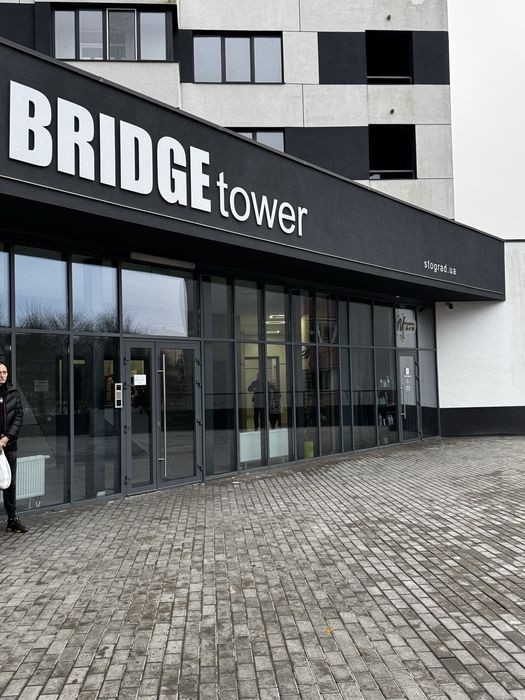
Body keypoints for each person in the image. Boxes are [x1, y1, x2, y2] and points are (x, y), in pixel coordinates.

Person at [0, 362, 27, 533]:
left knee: (9, 483)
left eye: (4, 372)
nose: (2, 375)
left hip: (9, 445)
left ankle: (12, 519)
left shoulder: (13, 393)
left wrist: (6, 438)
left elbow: (18, 418)